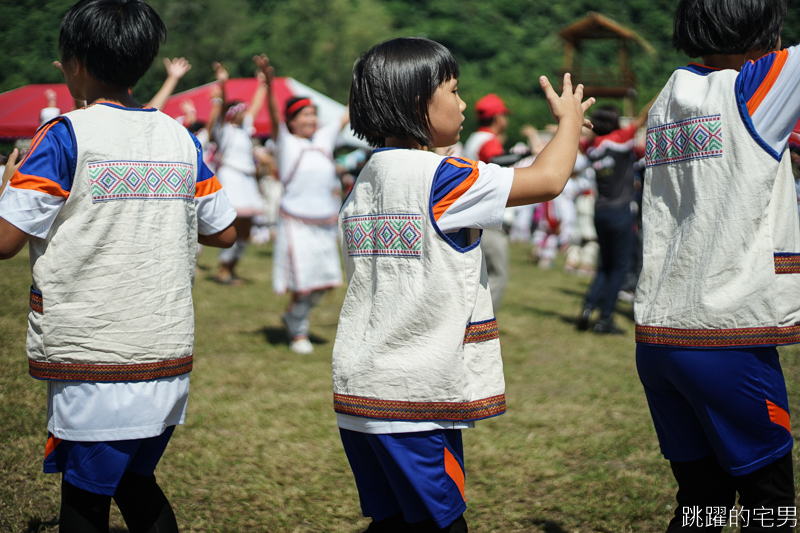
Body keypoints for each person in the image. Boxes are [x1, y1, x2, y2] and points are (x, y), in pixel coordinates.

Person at [336, 37, 593, 532]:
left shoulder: (366, 177)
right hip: (414, 396)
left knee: (392, 522)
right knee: (442, 524)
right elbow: (547, 179)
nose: (463, 103)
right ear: (419, 105)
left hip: (359, 388)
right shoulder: (444, 178)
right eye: (453, 90)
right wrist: (567, 124)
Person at [0, 1, 237, 531]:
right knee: (133, 481)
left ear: (77, 63)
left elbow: (5, 240)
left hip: (95, 355)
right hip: (164, 347)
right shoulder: (178, 137)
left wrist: (7, 181)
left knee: (85, 502)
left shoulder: (64, 135)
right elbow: (224, 231)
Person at [634, 0, 800, 530]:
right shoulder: (753, 87)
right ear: (762, 30)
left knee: (701, 498)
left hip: (659, 335)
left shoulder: (672, 95)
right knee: (768, 503)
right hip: (724, 338)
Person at [256, 54, 349, 354]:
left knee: (325, 281)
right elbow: (272, 114)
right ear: (292, 121)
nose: (310, 120)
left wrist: (366, 81)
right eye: (304, 115)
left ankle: (293, 315)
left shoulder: (323, 139)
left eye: (313, 114)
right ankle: (299, 332)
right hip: (296, 222)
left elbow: (347, 114)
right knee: (303, 281)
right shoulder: (286, 142)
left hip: (324, 223)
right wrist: (270, 87)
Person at [575, 101, 651, 334]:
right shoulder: (619, 140)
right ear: (615, 123)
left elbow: (576, 135)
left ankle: (588, 308)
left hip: (600, 209)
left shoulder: (591, 147)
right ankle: (605, 318)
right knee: (619, 266)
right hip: (620, 211)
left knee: (603, 266)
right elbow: (642, 116)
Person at [208, 60, 267, 284]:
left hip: (247, 180)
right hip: (232, 178)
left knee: (247, 227)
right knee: (234, 223)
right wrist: (223, 82)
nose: (246, 112)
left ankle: (231, 266)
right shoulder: (225, 130)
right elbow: (221, 109)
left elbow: (256, 105)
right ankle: (223, 268)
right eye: (240, 110)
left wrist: (263, 82)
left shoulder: (244, 131)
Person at [462, 94, 512, 310]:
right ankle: (480, 326)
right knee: (497, 274)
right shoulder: (489, 141)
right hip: (486, 217)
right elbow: (496, 163)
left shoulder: (473, 138)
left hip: (472, 214)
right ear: (497, 118)